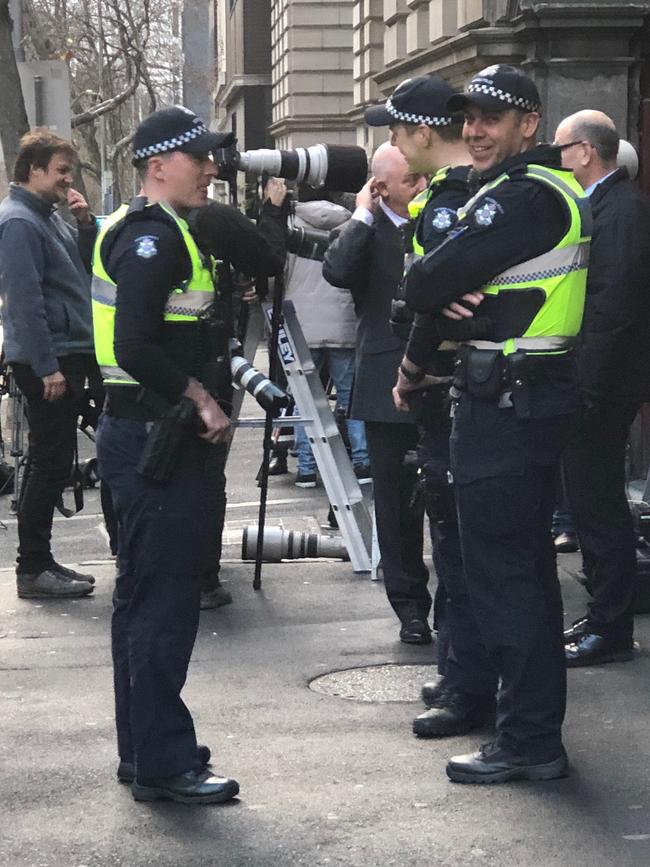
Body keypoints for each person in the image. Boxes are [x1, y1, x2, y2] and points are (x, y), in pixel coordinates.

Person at [403, 65, 590, 783]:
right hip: (522, 398)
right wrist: (469, 303)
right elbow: (437, 288)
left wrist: (457, 298)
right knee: (526, 574)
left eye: (491, 117)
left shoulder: (521, 196)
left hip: (506, 408)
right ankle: (531, 731)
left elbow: (421, 283)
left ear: (529, 125)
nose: (474, 131)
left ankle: (529, 739)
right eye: (467, 119)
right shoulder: (530, 192)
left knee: (505, 576)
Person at [93, 105, 252, 804]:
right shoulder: (153, 240)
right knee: (160, 606)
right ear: (159, 165)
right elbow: (133, 345)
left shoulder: (154, 231)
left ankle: (146, 748)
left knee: (140, 602)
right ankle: (162, 760)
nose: (213, 167)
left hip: (140, 438)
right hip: (158, 444)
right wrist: (201, 397)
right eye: (201, 156)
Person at [367, 76, 499, 736]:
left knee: (457, 544)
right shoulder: (466, 195)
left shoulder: (449, 203)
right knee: (456, 540)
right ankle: (458, 669)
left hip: (450, 392)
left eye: (394, 130)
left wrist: (410, 367)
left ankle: (467, 684)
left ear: (422, 133)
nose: (391, 142)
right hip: (461, 391)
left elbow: (430, 304)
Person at [323, 142, 432, 643]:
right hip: (385, 382)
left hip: (440, 376)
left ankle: (457, 603)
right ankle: (410, 605)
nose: (423, 186)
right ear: (382, 187)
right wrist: (362, 215)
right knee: (396, 503)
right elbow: (338, 271)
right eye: (412, 181)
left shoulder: (439, 216)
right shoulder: (365, 230)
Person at [553, 111, 650, 666]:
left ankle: (611, 627)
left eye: (562, 148)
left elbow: (612, 307)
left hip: (602, 385)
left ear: (586, 152)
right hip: (599, 381)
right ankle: (604, 612)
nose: (557, 156)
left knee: (599, 507)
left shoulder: (621, 210)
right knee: (592, 504)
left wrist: (586, 387)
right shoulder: (609, 205)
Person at [0, 129, 100, 600]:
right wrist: (46, 366)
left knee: (55, 460)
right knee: (49, 462)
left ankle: (41, 563)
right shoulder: (20, 222)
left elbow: (80, 275)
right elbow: (25, 302)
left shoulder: (49, 217)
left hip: (66, 352)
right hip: (51, 359)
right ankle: (33, 567)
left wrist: (85, 225)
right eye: (61, 171)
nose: (68, 180)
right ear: (33, 169)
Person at [188, 180, 288, 609]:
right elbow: (268, 257)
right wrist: (273, 212)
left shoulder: (131, 226)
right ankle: (203, 577)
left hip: (142, 381)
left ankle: (159, 566)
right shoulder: (211, 217)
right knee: (206, 474)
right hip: (205, 365)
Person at [283, 195, 370, 487]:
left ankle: (306, 468)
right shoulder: (350, 224)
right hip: (343, 324)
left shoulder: (291, 224)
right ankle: (362, 461)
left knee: (304, 399)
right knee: (351, 398)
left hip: (301, 325)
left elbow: (278, 273)